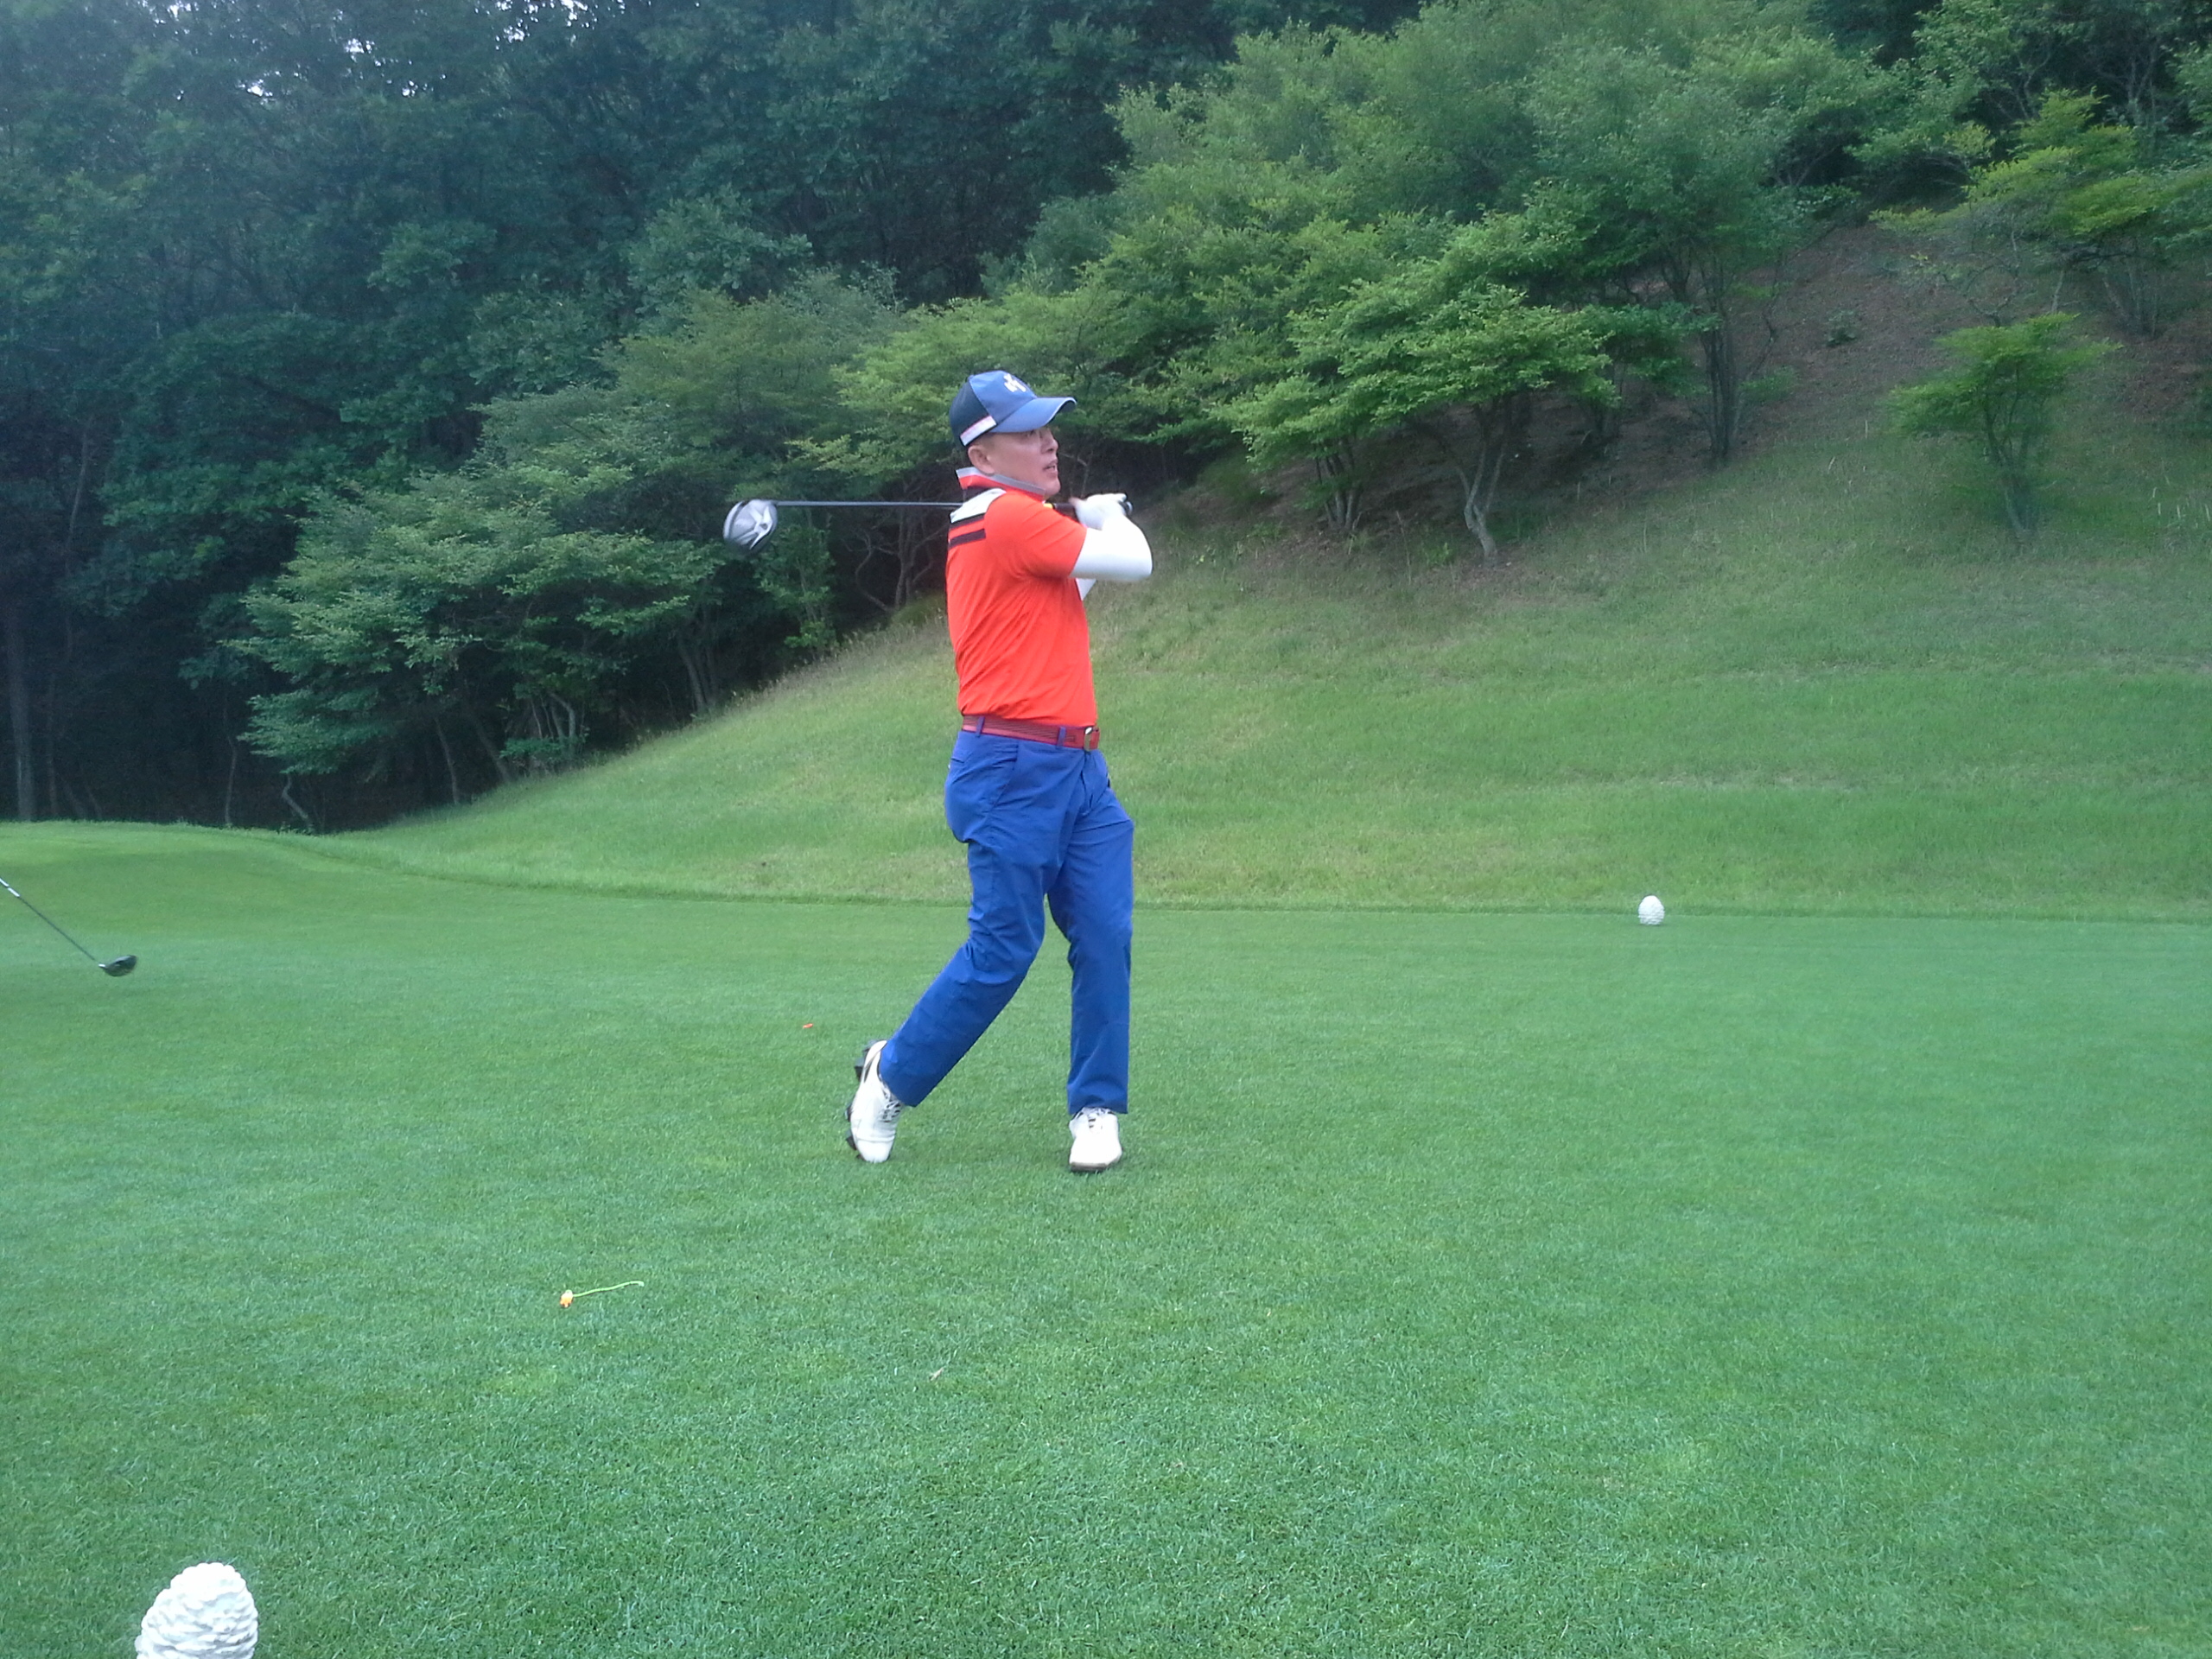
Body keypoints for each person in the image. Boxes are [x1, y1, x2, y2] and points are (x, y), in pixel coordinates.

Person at [847, 370, 1154, 1172]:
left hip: (1079, 767)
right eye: (1028, 432)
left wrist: (1084, 526)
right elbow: (1136, 561)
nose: (1049, 443)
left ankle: (1095, 1108)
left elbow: (1075, 585)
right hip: (1012, 766)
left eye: (1049, 428)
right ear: (983, 452)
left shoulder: (1006, 522)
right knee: (1004, 949)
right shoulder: (1008, 517)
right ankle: (890, 1078)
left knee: (1106, 935)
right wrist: (1109, 515)